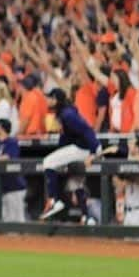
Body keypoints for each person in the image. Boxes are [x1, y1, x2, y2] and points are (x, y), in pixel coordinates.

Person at [39, 88, 99, 222]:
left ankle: (54, 200)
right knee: (75, 181)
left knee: (48, 162)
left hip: (83, 149)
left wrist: (95, 151)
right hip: (79, 149)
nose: (47, 100)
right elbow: (66, 138)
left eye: (49, 98)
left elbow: (86, 129)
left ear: (55, 99)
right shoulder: (62, 113)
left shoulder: (67, 114)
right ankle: (86, 216)